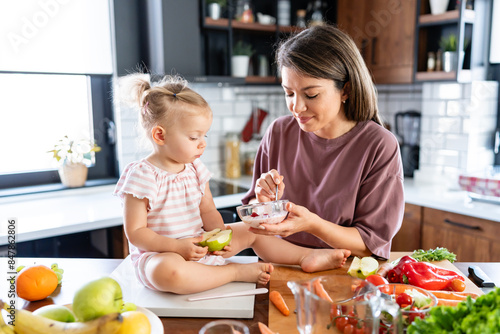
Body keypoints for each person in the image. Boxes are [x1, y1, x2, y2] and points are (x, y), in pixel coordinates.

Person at [113, 73, 351, 294]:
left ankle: (305, 257)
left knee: (255, 228)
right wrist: (177, 248)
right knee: (167, 271)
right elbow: (136, 233)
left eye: (204, 136)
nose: (202, 144)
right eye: (194, 137)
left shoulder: (195, 169)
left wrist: (221, 235)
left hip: (200, 246)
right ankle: (234, 272)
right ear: (160, 136)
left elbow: (208, 210)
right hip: (163, 255)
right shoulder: (142, 176)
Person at [241, 25, 404, 260]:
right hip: (278, 267)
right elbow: (255, 217)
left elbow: (371, 245)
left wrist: (312, 225)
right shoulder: (278, 132)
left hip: (344, 276)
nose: (297, 107)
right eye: (289, 93)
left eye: (311, 95)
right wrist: (264, 202)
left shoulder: (379, 146)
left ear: (345, 90)